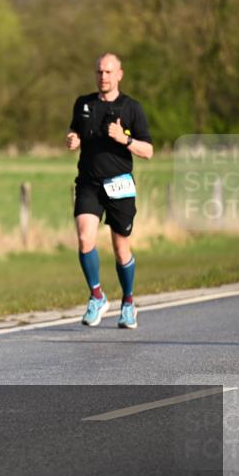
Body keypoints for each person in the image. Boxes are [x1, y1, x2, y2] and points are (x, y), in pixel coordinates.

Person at [66, 53, 153, 328]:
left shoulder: (132, 108)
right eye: (99, 72)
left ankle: (128, 302)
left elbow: (148, 151)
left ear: (119, 75)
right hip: (89, 182)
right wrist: (74, 139)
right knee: (84, 238)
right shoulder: (83, 104)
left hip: (119, 184)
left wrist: (124, 139)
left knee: (120, 248)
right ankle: (97, 296)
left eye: (108, 72)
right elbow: (77, 132)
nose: (103, 76)